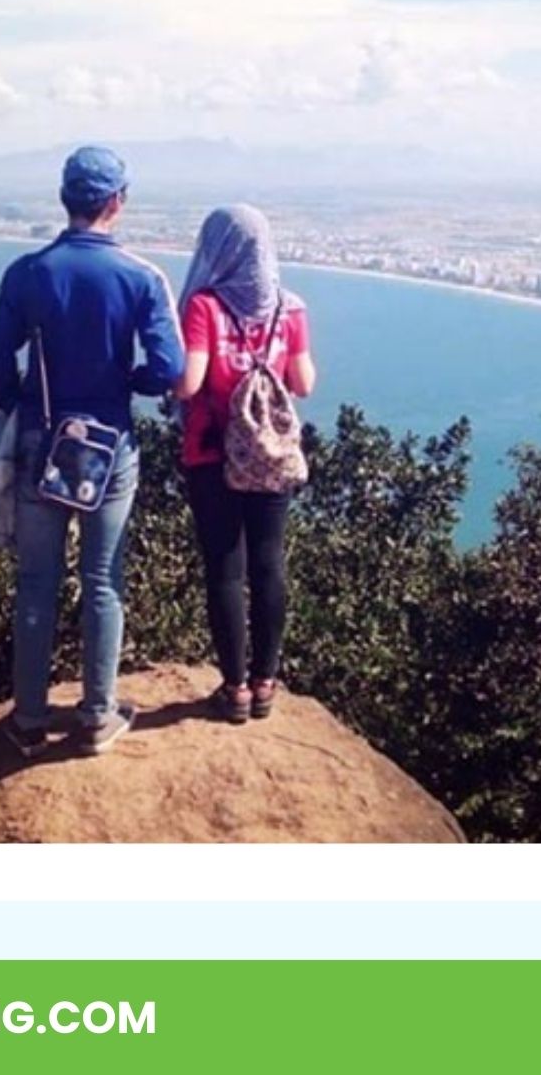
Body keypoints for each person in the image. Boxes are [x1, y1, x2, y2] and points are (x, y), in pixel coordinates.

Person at [0, 147, 185, 757]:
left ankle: (29, 719)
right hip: (109, 447)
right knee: (102, 580)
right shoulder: (143, 278)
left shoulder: (28, 272)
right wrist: (130, 383)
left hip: (43, 441)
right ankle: (97, 716)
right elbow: (169, 368)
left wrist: (22, 403)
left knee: (37, 581)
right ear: (117, 202)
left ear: (65, 198)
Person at [173, 205, 317, 723]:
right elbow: (303, 384)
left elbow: (190, 383)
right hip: (270, 456)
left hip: (211, 452)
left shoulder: (205, 307)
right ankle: (265, 682)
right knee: (269, 561)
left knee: (225, 569)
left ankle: (233, 688)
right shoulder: (290, 307)